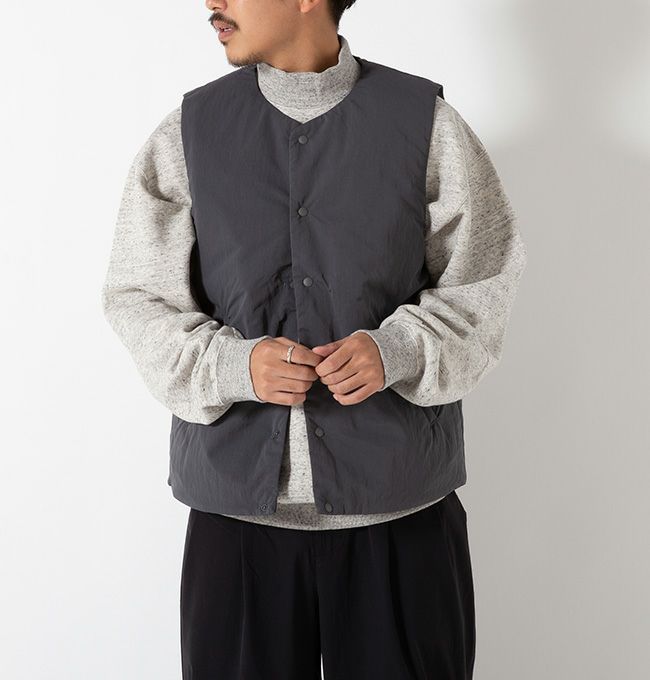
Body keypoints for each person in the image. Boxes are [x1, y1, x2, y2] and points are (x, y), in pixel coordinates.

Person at [101, 1, 527, 678]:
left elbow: (484, 285)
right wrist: (233, 366)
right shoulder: (188, 133)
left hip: (401, 517)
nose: (211, 1)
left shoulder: (427, 124)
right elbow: (138, 297)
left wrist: (397, 350)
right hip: (236, 527)